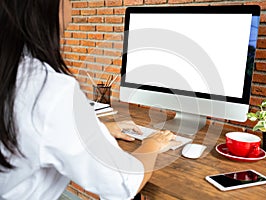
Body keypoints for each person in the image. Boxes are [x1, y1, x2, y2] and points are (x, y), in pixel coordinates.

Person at [0, 0, 176, 199]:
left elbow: (31, 129)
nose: (71, 8)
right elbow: (124, 184)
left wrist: (95, 128)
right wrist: (152, 144)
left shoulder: (13, 74)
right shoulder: (48, 90)